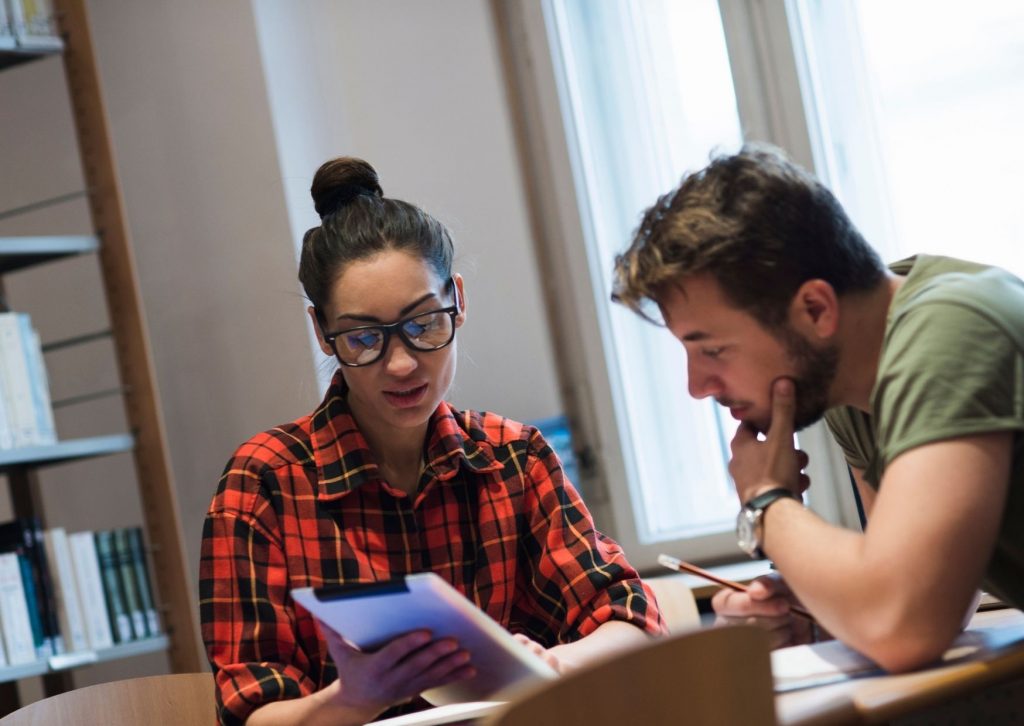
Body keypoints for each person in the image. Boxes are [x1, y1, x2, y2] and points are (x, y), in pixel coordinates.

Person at [200, 157, 664, 725]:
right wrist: (352, 700)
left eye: (424, 325)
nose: (400, 364)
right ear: (322, 331)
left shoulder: (513, 459)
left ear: (458, 300)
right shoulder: (266, 481)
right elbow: (250, 712)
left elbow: (629, 619)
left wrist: (554, 664)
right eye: (364, 337)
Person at [610, 144, 1024, 673]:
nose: (697, 386)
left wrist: (766, 503)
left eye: (712, 349)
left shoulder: (948, 332)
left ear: (815, 309)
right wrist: (811, 611)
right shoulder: (853, 380)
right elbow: (936, 592)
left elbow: (904, 623)